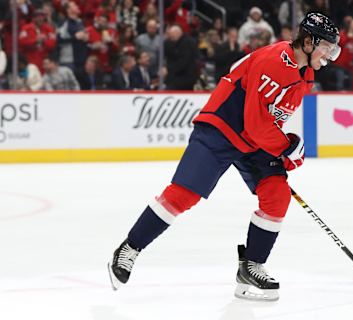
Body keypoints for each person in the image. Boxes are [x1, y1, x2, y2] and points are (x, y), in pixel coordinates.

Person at [107, 12, 341, 301]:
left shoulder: (305, 73)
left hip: (252, 140)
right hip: (221, 129)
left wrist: (285, 146)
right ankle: (129, 248)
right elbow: (257, 123)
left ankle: (251, 267)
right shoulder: (274, 62)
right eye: (327, 47)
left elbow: (268, 119)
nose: (330, 54)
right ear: (308, 42)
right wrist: (284, 147)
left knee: (277, 194)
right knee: (183, 196)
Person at [18, 9, 56, 73]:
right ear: (33, 18)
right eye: (38, 17)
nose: (40, 19)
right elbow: (22, 43)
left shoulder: (49, 29)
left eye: (42, 17)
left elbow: (52, 44)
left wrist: (44, 41)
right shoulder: (26, 28)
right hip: (30, 59)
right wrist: (35, 40)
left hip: (44, 60)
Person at [163, 24, 198, 90]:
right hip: (183, 76)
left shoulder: (186, 43)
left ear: (177, 33)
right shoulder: (180, 42)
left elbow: (183, 62)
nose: (171, 38)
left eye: (172, 36)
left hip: (185, 77)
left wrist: (169, 69)